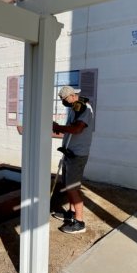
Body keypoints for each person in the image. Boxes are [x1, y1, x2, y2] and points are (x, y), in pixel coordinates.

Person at [52, 85, 94, 234]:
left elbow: (77, 129)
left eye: (63, 99)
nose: (63, 102)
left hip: (78, 154)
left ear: (71, 96)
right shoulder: (74, 108)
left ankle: (79, 222)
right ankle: (70, 214)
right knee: (68, 185)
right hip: (69, 152)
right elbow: (72, 127)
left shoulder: (85, 108)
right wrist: (61, 128)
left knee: (73, 188)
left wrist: (59, 127)